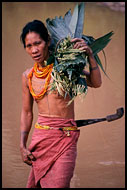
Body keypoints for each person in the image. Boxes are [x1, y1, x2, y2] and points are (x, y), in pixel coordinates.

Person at [20, 20, 102, 188]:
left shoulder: (65, 69)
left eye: (38, 43)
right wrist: (22, 145)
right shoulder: (27, 76)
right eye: (29, 46)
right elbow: (27, 112)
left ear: (48, 41)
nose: (34, 50)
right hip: (40, 139)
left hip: (65, 138)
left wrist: (90, 56)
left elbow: (96, 82)